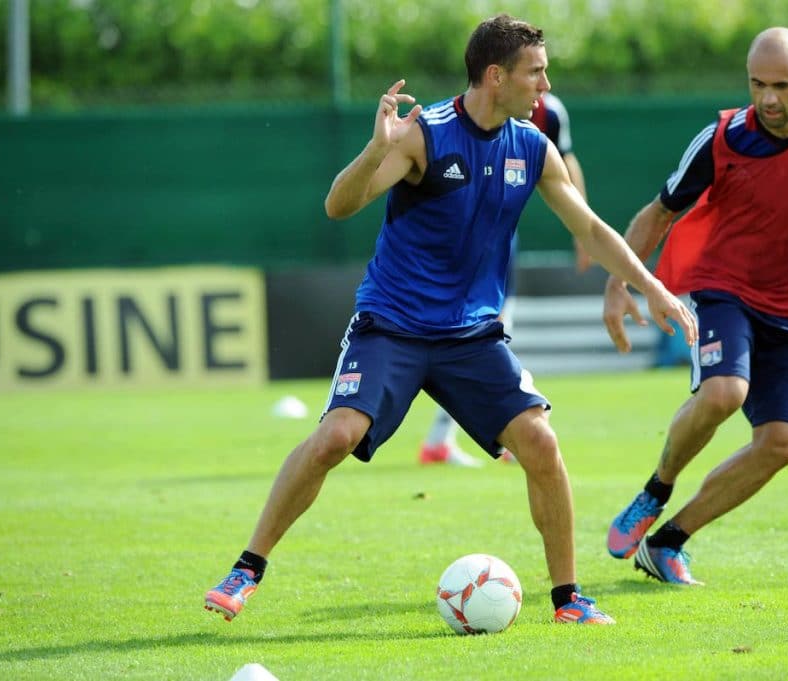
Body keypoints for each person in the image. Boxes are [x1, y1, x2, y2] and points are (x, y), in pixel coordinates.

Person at [204, 14, 697, 625]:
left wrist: (647, 284)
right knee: (335, 436)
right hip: (393, 326)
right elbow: (338, 206)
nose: (545, 87)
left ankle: (568, 600)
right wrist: (376, 148)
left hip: (472, 337)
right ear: (496, 76)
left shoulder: (533, 146)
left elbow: (590, 228)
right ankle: (246, 569)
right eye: (536, 74)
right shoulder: (424, 135)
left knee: (540, 441)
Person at [602, 27, 788, 585]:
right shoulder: (720, 138)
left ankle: (667, 543)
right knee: (723, 391)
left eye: (782, 86)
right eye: (757, 84)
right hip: (725, 289)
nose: (767, 99)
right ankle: (655, 491)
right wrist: (620, 284)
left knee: (783, 444)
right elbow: (658, 213)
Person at [417, 91, 589, 467]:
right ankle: (492, 424)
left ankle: (443, 439)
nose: (540, 81)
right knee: (474, 331)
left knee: (495, 326)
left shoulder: (550, 113)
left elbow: (566, 161)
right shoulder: (456, 116)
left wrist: (582, 229)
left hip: (498, 239)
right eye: (532, 70)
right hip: (454, 245)